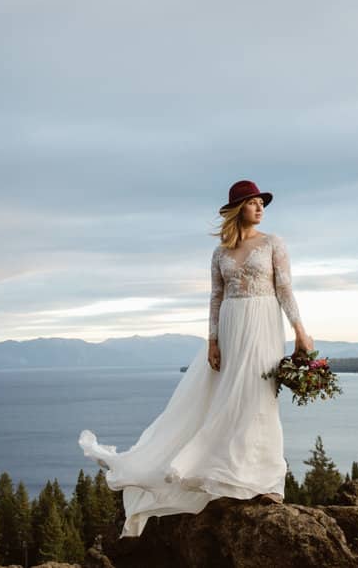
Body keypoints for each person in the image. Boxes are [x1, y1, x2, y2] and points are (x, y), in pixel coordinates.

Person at [78, 179, 313, 538]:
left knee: (258, 397)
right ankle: (230, 476)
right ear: (238, 210)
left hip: (264, 324)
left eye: (261, 202)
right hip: (232, 325)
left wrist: (300, 330)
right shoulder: (220, 253)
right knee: (227, 399)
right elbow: (216, 297)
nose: (259, 207)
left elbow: (284, 288)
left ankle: (265, 482)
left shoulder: (273, 244)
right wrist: (213, 341)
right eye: (252, 203)